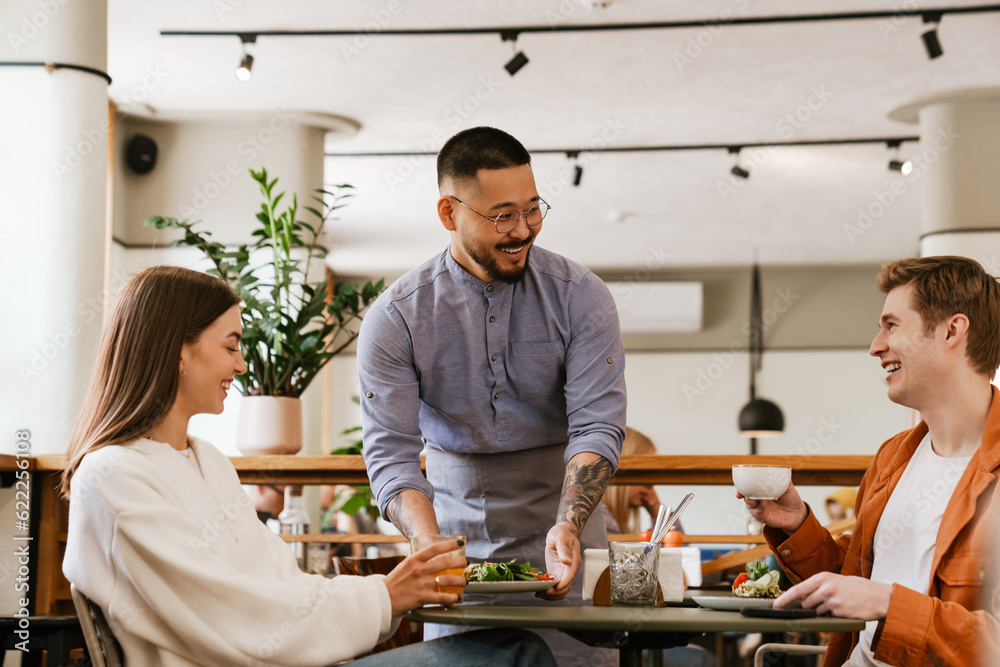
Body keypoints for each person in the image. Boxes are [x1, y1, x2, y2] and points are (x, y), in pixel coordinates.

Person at [61, 265, 555, 667]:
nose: (239, 366)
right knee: (515, 655)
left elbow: (281, 585)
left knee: (514, 646)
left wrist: (389, 591)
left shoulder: (205, 461)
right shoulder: (112, 478)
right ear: (177, 352)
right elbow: (233, 616)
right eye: (230, 345)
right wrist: (386, 596)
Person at [358, 126, 627, 665]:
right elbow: (390, 452)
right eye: (502, 216)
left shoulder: (582, 297)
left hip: (566, 531)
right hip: (456, 537)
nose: (523, 229)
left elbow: (597, 425)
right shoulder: (396, 318)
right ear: (448, 212)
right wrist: (430, 545)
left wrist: (569, 523)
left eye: (533, 209)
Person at [738, 256, 1000, 666]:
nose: (875, 345)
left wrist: (890, 603)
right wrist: (796, 526)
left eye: (891, 325)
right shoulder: (892, 458)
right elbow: (856, 586)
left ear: (952, 330)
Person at [600, 427, 661, 536]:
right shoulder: (600, 517)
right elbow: (682, 550)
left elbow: (684, 551)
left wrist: (657, 510)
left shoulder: (607, 518)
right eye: (643, 472)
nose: (651, 484)